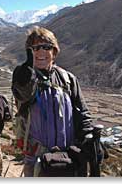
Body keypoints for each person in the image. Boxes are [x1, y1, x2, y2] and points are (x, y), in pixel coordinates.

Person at [11, 26, 93, 177]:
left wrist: (89, 138)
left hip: (68, 157)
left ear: (54, 52)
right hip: (37, 158)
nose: (41, 51)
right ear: (29, 52)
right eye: (35, 48)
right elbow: (23, 93)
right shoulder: (26, 77)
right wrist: (23, 80)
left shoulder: (68, 79)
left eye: (46, 47)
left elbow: (82, 113)